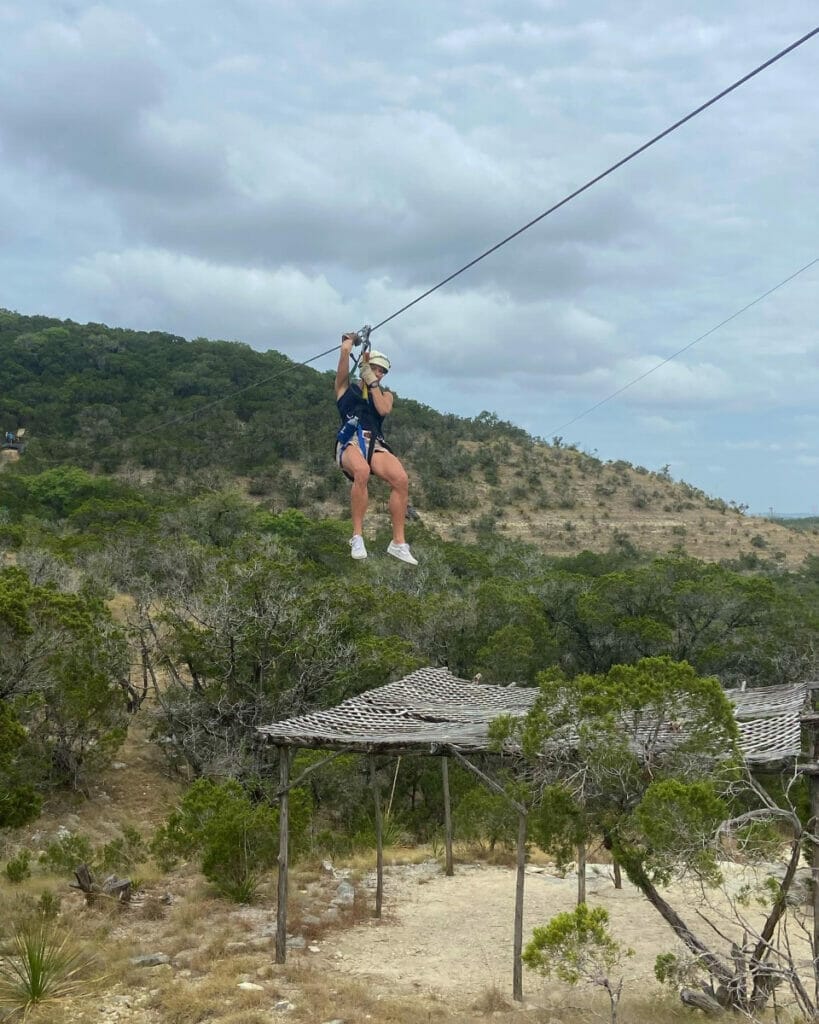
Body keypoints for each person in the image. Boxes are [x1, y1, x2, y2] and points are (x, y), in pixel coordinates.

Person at [334, 332, 418, 564]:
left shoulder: (385, 394)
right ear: (366, 365)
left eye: (382, 371)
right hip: (350, 441)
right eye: (376, 369)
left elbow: (383, 410)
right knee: (361, 471)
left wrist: (372, 383)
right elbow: (343, 360)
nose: (379, 374)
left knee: (400, 479)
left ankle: (398, 543)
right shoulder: (345, 389)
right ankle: (357, 536)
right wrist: (348, 345)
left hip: (375, 443)